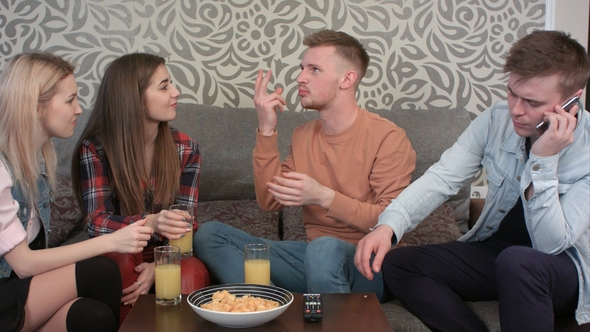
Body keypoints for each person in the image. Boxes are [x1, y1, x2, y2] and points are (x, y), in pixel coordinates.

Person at [355, 30, 590, 331]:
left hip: (561, 270)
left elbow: (550, 245)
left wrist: (543, 161)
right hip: (498, 255)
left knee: (517, 262)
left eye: (532, 102)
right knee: (399, 264)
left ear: (574, 98)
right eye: (512, 93)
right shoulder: (496, 119)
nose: (516, 110)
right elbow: (442, 177)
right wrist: (388, 226)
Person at [194, 29, 416, 301]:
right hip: (313, 261)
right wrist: (266, 130)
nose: (300, 77)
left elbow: (392, 220)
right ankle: (268, 307)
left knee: (323, 249)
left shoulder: (388, 137)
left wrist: (324, 196)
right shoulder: (303, 135)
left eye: (314, 69)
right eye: (302, 68)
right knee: (209, 235)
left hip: (369, 265)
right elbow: (268, 201)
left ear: (347, 79)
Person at [0, 52, 153, 332]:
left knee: (91, 317)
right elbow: (23, 264)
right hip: (4, 300)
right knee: (101, 271)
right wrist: (113, 241)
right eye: (70, 100)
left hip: (18, 292)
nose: (79, 109)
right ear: (35, 106)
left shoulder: (37, 163)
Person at [71, 53, 210, 321]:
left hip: (170, 253)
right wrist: (151, 223)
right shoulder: (95, 148)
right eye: (164, 86)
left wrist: (159, 264)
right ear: (132, 97)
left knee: (189, 272)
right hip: (118, 248)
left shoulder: (185, 147)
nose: (176, 92)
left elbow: (186, 221)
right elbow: (97, 222)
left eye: (172, 84)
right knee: (120, 263)